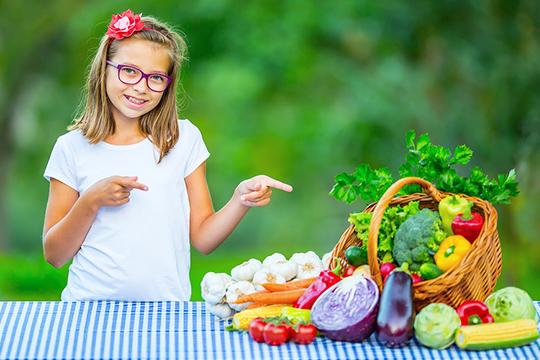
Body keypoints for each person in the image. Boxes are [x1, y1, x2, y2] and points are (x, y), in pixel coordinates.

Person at [42, 10, 293, 302]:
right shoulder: (71, 147)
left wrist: (240, 199)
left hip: (168, 309)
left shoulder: (183, 139)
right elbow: (55, 255)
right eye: (129, 71)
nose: (140, 86)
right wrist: (91, 201)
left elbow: (203, 239)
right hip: (88, 308)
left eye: (156, 78)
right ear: (104, 69)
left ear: (168, 85)